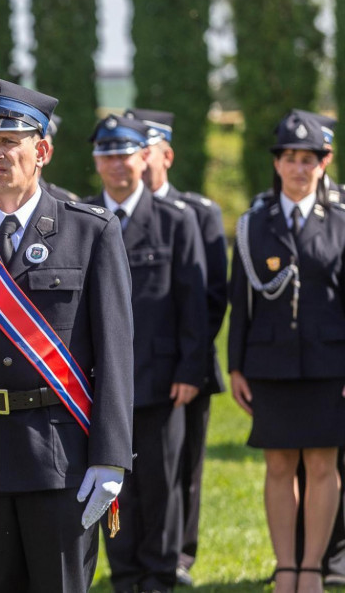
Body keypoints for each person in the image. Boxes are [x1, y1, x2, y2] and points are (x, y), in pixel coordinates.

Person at [0, 77, 134, 592]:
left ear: (43, 151)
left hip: (60, 457)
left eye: (10, 142)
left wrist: (110, 457)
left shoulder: (91, 232)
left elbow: (116, 355)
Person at [87, 114, 208, 593]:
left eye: (126, 154)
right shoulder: (84, 219)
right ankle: (125, 571)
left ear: (145, 158)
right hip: (101, 381)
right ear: (96, 161)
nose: (118, 165)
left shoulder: (176, 221)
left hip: (160, 377)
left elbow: (193, 304)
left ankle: (158, 572)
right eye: (108, 155)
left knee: (159, 480)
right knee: (112, 479)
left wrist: (191, 368)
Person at [228, 108, 345, 593]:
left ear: (325, 161)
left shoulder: (340, 221)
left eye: (309, 159)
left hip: (328, 365)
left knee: (322, 464)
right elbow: (241, 301)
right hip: (270, 364)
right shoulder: (255, 222)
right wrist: (235, 365)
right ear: (276, 163)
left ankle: (313, 567)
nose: (299, 168)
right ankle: (285, 567)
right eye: (290, 158)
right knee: (278, 465)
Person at [125, 107, 229, 587]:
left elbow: (208, 296)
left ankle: (179, 553)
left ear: (165, 154)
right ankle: (144, 552)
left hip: (186, 363)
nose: (141, 162)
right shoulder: (111, 211)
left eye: (148, 152)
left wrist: (189, 356)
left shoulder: (199, 213)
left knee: (182, 464)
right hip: (138, 365)